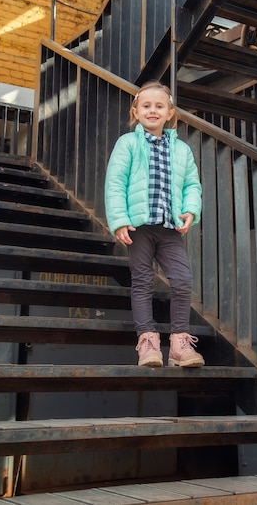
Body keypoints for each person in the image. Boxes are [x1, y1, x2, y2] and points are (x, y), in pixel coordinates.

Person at [104, 80, 204, 368]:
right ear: (136, 111)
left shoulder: (182, 150)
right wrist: (119, 220)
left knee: (182, 281)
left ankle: (180, 345)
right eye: (146, 106)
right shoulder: (128, 143)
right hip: (139, 227)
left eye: (159, 106)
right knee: (143, 282)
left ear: (170, 112)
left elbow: (191, 185)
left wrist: (190, 210)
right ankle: (147, 343)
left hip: (170, 228)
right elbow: (115, 183)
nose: (152, 110)